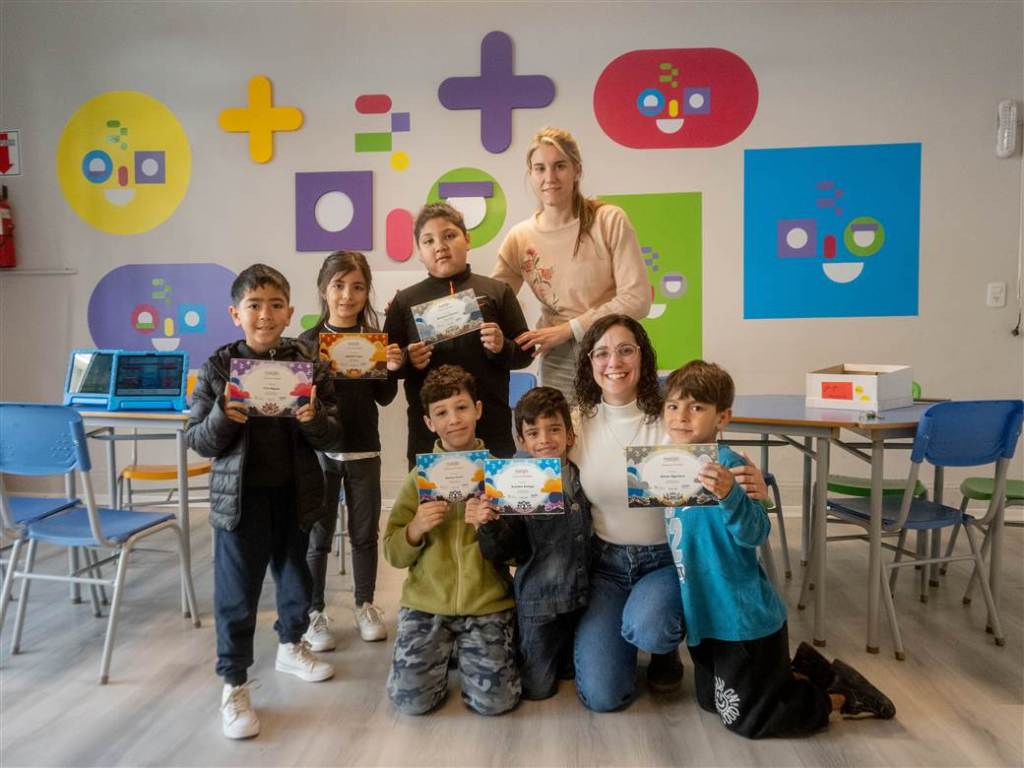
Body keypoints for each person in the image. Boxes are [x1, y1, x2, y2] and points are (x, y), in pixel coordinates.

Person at [661, 360, 896, 738]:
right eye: (673, 406)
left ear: (723, 418)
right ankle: (802, 668)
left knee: (746, 720)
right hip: (704, 611)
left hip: (741, 618)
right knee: (710, 701)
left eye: (696, 407)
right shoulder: (666, 467)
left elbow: (755, 533)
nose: (681, 416)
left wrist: (729, 494)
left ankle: (839, 695)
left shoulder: (733, 469)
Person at [185, 264, 342, 740]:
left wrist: (313, 418)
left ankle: (291, 645)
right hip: (239, 502)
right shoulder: (217, 368)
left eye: (276, 305)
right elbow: (197, 439)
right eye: (254, 305)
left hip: (296, 495)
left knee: (297, 578)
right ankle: (233, 683)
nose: (265, 314)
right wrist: (222, 416)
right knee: (237, 595)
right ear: (236, 313)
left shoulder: (310, 364)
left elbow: (333, 433)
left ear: (290, 312)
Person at [383, 365, 521, 716]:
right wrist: (415, 528)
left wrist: (491, 525)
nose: (454, 420)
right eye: (441, 413)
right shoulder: (418, 479)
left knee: (496, 703)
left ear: (478, 409)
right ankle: (442, 657)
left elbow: (517, 550)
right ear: (429, 422)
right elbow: (393, 552)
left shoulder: (500, 475)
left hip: (487, 603)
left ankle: (463, 653)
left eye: (461, 407)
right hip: (427, 605)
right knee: (410, 702)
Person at [492, 126, 651, 396]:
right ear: (530, 174)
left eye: (560, 166)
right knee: (566, 436)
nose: (550, 177)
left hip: (613, 351)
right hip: (559, 361)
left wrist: (569, 329)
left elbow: (638, 298)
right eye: (540, 168)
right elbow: (488, 303)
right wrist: (413, 313)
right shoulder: (520, 237)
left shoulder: (608, 220)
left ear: (577, 170)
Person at [299, 251, 402, 649]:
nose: (347, 295)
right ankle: (313, 611)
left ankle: (365, 604)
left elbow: (385, 398)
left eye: (357, 287)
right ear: (325, 289)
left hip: (363, 450)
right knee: (317, 536)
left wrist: (392, 371)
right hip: (319, 454)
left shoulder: (376, 342)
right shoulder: (305, 345)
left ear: (366, 292)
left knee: (364, 533)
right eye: (339, 285)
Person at [384, 202, 534, 467]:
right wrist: (407, 359)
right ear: (419, 252)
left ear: (467, 239)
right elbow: (385, 367)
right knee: (434, 509)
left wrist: (502, 347)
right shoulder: (404, 302)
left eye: (449, 236)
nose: (440, 246)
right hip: (428, 436)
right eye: (428, 241)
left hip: (491, 428)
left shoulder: (497, 292)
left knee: (492, 507)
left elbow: (525, 354)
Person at [474, 386, 592, 700]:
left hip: (583, 601)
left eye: (554, 429)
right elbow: (506, 552)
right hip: (538, 606)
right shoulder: (513, 485)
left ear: (570, 436)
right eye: (533, 432)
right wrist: (490, 524)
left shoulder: (585, 478)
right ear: (521, 441)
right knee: (537, 689)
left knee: (574, 672)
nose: (545, 439)